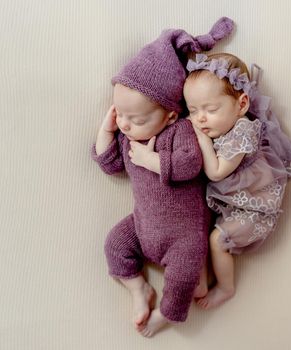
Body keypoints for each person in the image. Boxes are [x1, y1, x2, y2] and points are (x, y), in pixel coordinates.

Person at [91, 18, 234, 337]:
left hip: (184, 235)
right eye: (121, 113)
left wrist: (150, 159)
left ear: (170, 114)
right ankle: (138, 289)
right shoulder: (128, 138)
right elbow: (109, 163)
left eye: (136, 118)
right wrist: (107, 129)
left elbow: (189, 166)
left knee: (183, 280)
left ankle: (167, 314)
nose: (126, 125)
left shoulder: (180, 131)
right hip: (142, 227)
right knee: (114, 245)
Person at [183, 53, 291, 309]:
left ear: (241, 105)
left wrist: (204, 141)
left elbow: (216, 172)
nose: (200, 119)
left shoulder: (243, 131)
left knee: (217, 242)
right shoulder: (220, 126)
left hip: (256, 210)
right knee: (196, 231)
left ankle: (226, 287)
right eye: (193, 110)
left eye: (211, 109)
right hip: (234, 204)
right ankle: (199, 279)